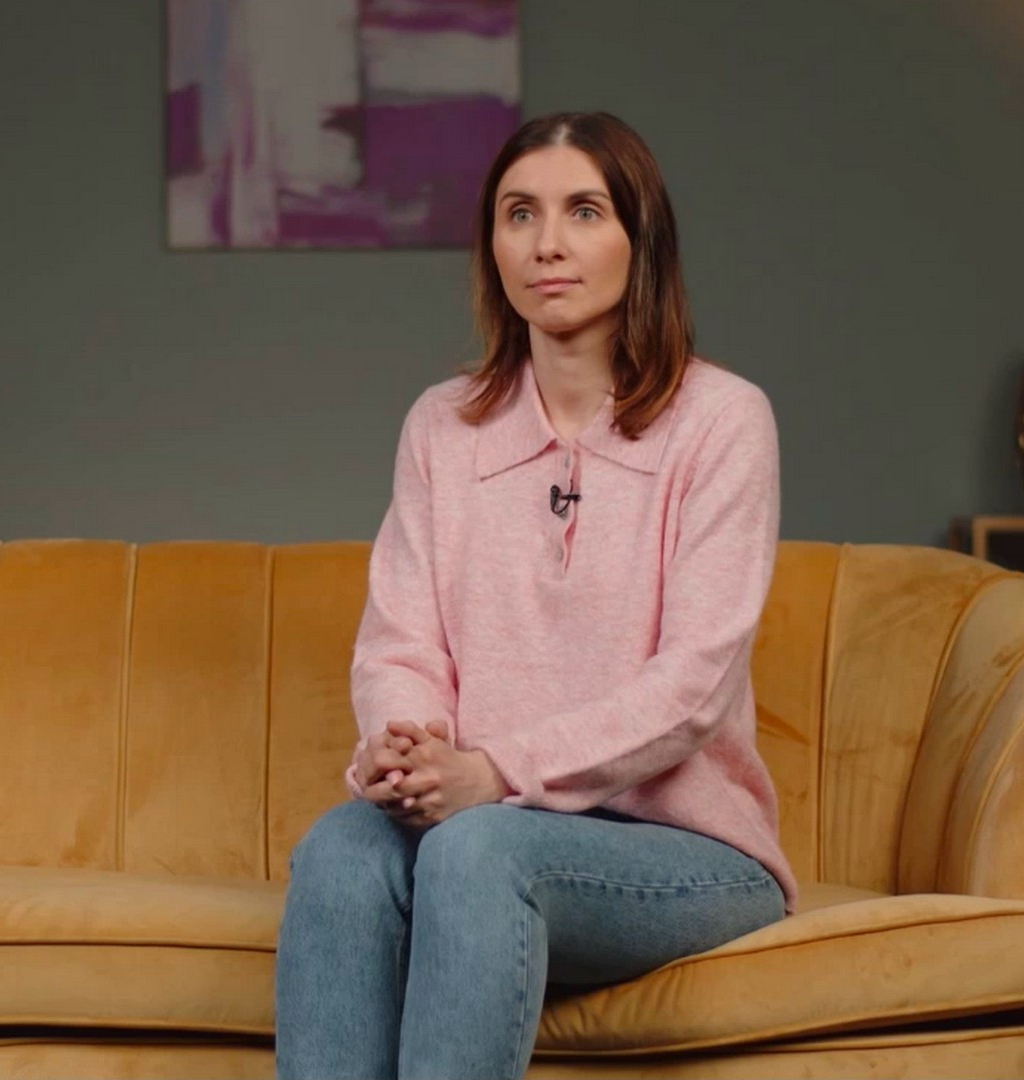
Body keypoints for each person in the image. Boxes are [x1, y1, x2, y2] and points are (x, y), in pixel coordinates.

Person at [273, 111, 798, 1080]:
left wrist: (495, 774)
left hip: (681, 851)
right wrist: (406, 746)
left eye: (583, 212)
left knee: (479, 854)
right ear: (493, 245)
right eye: (519, 214)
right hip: (476, 820)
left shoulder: (722, 422)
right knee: (343, 850)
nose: (547, 243)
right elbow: (399, 643)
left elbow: (693, 685)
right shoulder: (443, 427)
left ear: (640, 239)